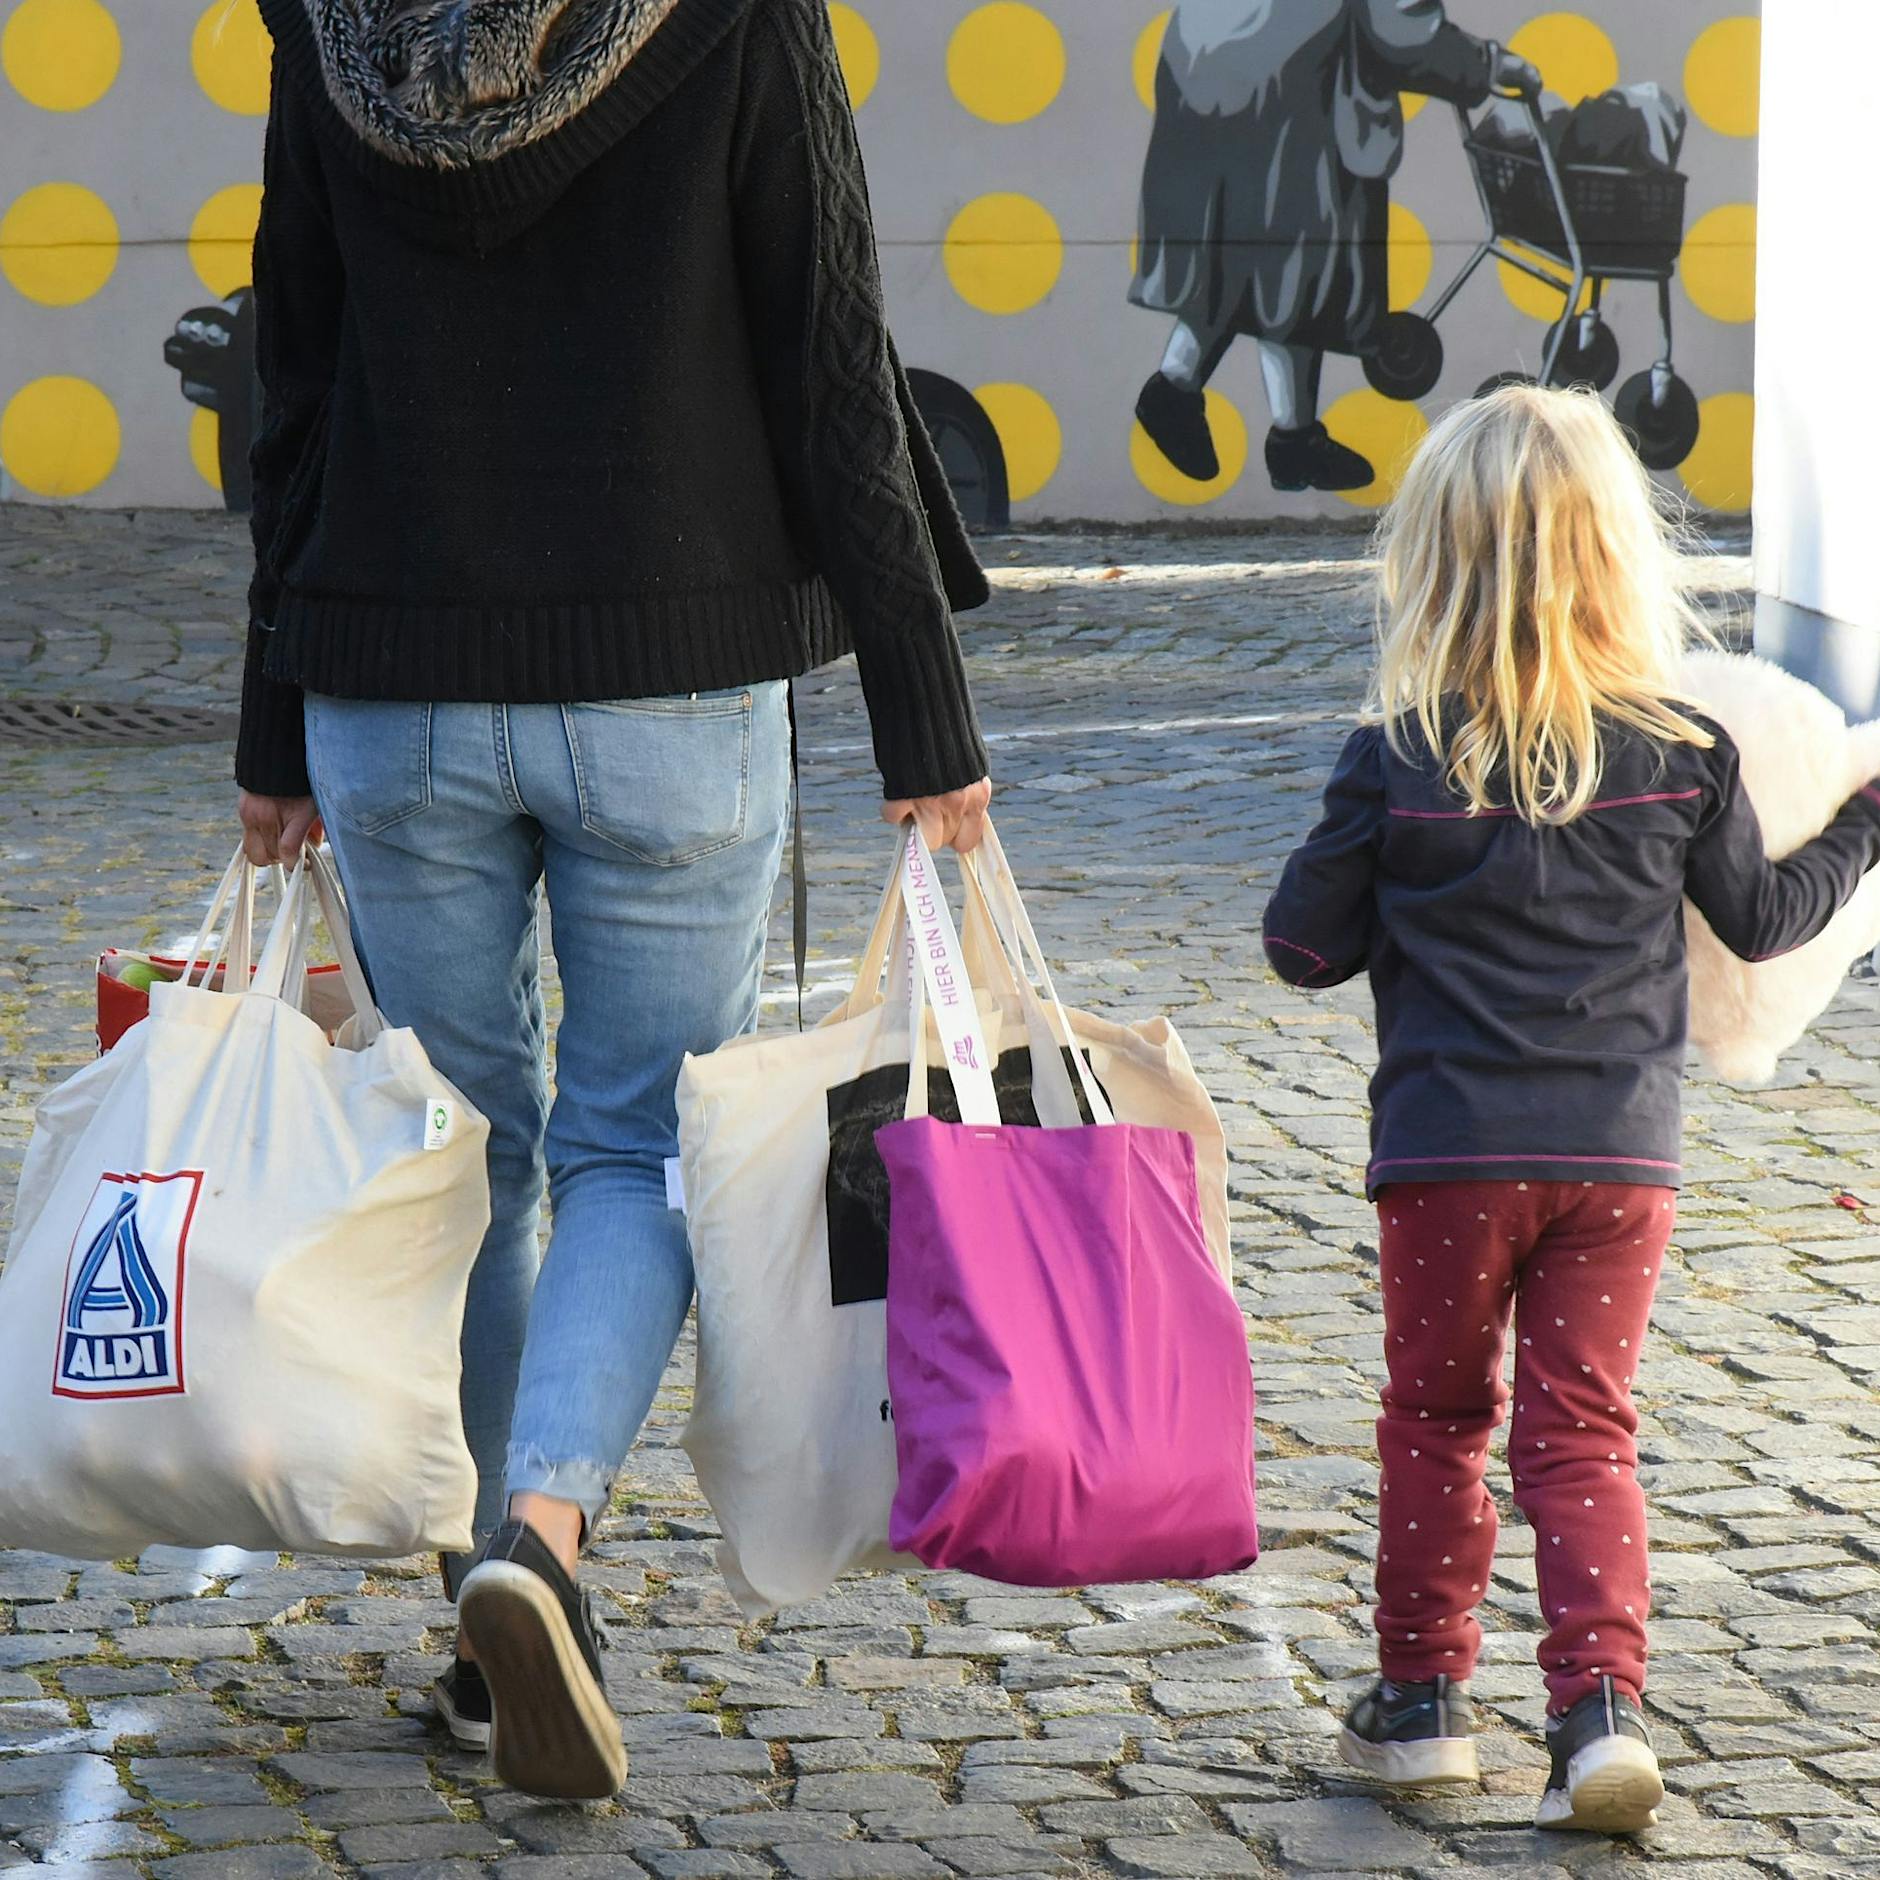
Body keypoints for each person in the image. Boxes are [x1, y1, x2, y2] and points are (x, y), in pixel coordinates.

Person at [233, 0, 992, 1802]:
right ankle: (545, 1546)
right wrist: (923, 719)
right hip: (672, 675)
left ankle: (491, 1623)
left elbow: (298, 380)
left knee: (458, 1148)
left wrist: (271, 730)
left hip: (391, 687)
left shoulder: (334, 25)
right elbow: (832, 353)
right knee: (636, 1150)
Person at [1261, 385, 1880, 1831]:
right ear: (1620, 554)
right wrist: (1865, 817)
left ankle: (1420, 1707)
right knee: (1583, 1432)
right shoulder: (1683, 754)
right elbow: (1768, 914)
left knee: (1435, 1416)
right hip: (1618, 1162)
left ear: (1434, 561)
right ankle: (1596, 1715)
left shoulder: (1400, 756)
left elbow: (1299, 946)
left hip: (1444, 1162)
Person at [1130, 0, 1537, 492]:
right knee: (1299, 269)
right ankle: (1262, 426)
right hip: (1297, 98)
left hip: (1210, 75)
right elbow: (1402, 32)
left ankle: (1242, 415)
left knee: (1239, 262)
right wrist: (1493, 65)